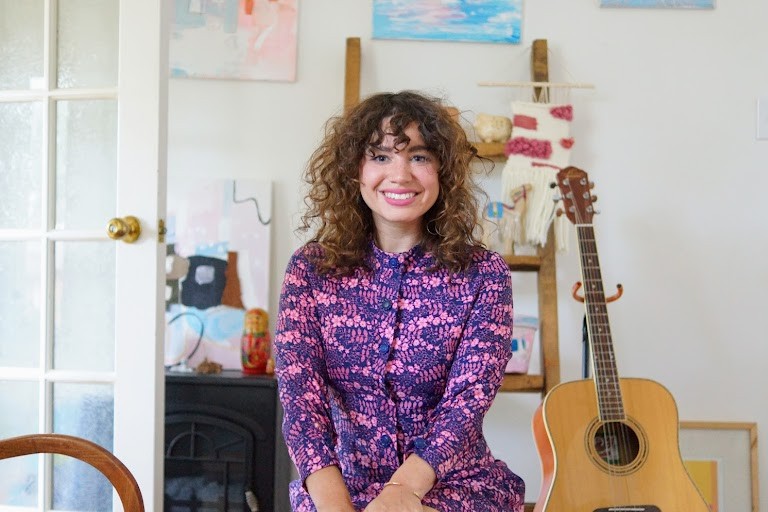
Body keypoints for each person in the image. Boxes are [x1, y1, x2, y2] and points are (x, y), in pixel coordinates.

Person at [274, 90, 525, 512]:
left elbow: (467, 403)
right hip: (340, 487)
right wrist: (336, 506)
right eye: (380, 156)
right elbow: (301, 402)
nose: (400, 174)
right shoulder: (310, 270)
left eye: (419, 157)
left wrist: (403, 492)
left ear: (443, 171)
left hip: (453, 486)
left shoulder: (484, 274)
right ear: (354, 170)